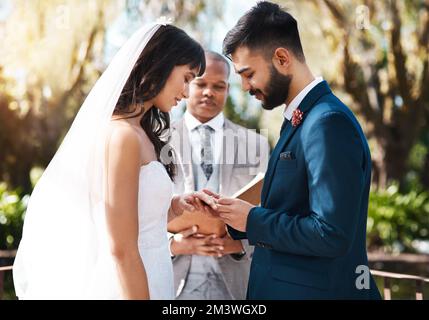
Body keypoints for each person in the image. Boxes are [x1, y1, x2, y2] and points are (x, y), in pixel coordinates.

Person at [13, 22, 217, 299]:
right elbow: (120, 248)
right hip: (129, 285)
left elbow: (141, 219)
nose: (187, 91)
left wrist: (175, 207)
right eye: (187, 77)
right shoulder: (122, 137)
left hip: (154, 273)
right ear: (161, 64)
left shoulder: (140, 133)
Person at [204, 2, 382, 299]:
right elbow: (291, 207)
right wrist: (233, 217)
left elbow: (331, 233)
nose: (246, 87)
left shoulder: (327, 121)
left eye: (249, 74)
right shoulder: (301, 119)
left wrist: (252, 220)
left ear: (282, 58)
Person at [168, 51, 269, 300]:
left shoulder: (256, 144)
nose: (208, 92)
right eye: (200, 84)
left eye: (219, 86)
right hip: (173, 284)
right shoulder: (158, 139)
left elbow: (271, 211)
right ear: (186, 84)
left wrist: (241, 244)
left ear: (228, 88)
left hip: (236, 284)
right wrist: (173, 244)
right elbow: (139, 209)